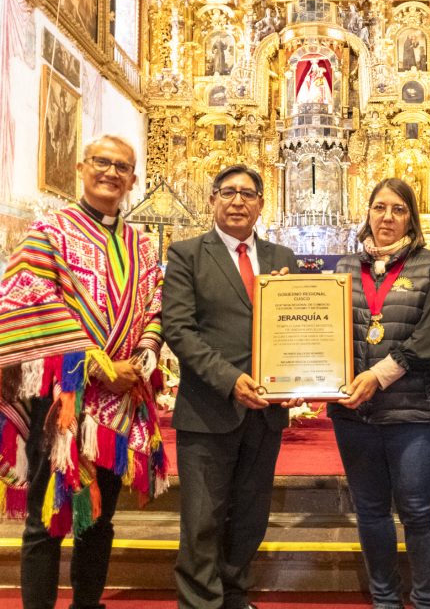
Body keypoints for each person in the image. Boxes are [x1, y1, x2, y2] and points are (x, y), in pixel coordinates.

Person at [0, 134, 167, 609]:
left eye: (122, 167)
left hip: (117, 405)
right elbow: (33, 302)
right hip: (59, 400)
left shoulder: (142, 245)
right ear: (81, 167)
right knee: (45, 519)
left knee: (99, 520)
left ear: (134, 180)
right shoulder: (48, 233)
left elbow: (155, 306)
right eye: (102, 162)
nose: (112, 173)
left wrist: (141, 360)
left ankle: (87, 605)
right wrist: (95, 363)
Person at [163, 164, 300, 609]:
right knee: (202, 519)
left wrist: (301, 374)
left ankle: (234, 595)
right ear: (212, 201)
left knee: (249, 516)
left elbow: (302, 327)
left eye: (248, 194)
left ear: (262, 204)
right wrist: (230, 380)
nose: (238, 201)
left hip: (266, 412)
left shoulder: (283, 259)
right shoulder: (187, 255)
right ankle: (201, 602)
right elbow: (180, 331)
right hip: (209, 409)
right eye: (228, 192)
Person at [330, 178, 430, 609]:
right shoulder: (344, 268)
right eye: (379, 207)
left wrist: (378, 375)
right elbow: (325, 335)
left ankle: (427, 602)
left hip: (413, 415)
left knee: (419, 513)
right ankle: (384, 601)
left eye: (398, 209)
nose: (387, 217)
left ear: (411, 217)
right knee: (371, 512)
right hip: (353, 416)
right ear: (367, 213)